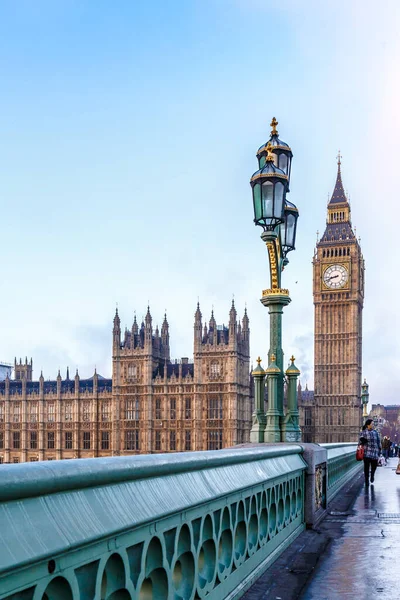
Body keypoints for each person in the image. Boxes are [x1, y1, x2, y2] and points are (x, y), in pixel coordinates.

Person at [360, 419, 381, 486]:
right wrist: (363, 441)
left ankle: (372, 475)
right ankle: (366, 479)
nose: (373, 425)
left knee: (374, 466)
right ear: (368, 425)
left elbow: (378, 441)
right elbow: (360, 442)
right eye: (372, 424)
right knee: (366, 467)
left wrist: (379, 449)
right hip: (367, 452)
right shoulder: (363, 432)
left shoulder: (375, 432)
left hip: (374, 452)